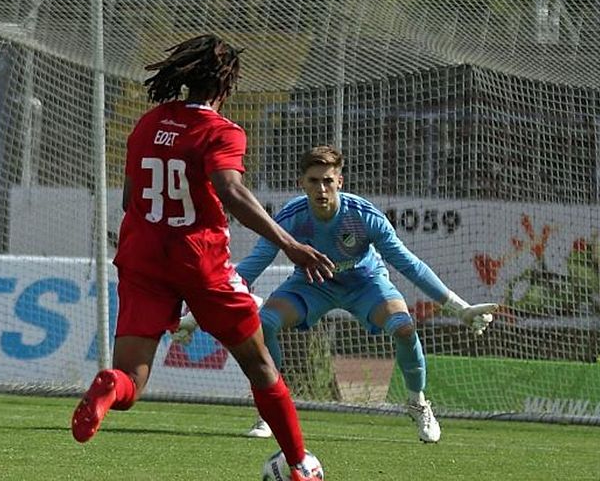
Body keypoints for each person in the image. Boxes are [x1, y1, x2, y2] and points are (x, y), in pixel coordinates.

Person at [70, 35, 335, 481]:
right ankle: (299, 464)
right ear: (225, 85)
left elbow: (131, 198)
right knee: (259, 366)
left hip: (142, 257)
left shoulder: (148, 122)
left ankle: (110, 386)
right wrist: (290, 245)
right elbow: (230, 191)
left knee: (132, 379)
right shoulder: (221, 131)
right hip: (200, 261)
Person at [178, 145, 497, 443]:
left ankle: (417, 403)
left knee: (403, 327)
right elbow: (251, 266)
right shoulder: (291, 218)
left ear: (339, 181)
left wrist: (460, 308)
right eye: (314, 181)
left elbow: (409, 265)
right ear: (301, 182)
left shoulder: (363, 217)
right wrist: (198, 315)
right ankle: (269, 412)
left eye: (328, 181)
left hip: (366, 284)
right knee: (265, 323)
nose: (321, 189)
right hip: (311, 285)